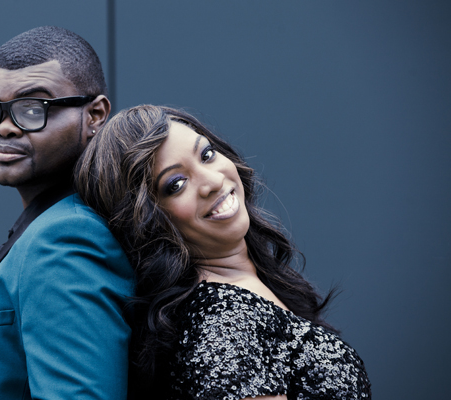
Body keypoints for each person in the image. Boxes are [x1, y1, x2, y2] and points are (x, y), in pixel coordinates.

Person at [75, 105, 371, 400]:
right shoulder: (225, 324)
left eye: (206, 155)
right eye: (176, 184)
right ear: (147, 222)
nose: (214, 181)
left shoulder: (247, 291)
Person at [0, 27, 134, 400]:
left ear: (95, 115)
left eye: (31, 108)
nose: (3, 128)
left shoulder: (67, 239)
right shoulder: (50, 228)